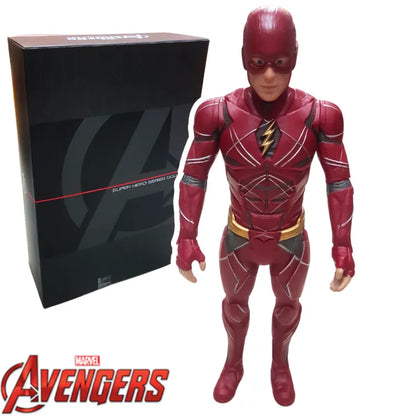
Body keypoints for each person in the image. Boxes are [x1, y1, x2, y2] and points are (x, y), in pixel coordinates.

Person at [176, 6, 355, 406]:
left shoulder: (320, 116)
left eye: (280, 63)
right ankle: (233, 364)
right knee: (234, 308)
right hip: (239, 238)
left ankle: (280, 365)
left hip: (290, 240)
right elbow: (193, 176)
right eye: (258, 64)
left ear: (295, 57)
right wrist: (185, 236)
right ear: (243, 58)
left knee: (288, 308)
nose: (269, 76)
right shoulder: (216, 113)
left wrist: (342, 244)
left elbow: (339, 182)